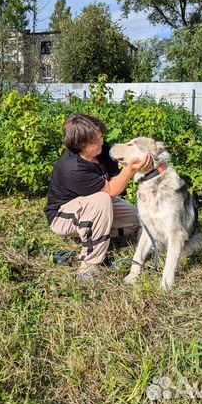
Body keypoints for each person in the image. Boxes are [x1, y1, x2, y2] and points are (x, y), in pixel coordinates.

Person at [44, 114, 152, 281]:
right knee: (102, 199)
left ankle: (95, 237)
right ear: (80, 145)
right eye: (95, 141)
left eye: (101, 136)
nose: (101, 142)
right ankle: (88, 267)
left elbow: (116, 178)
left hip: (93, 207)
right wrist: (130, 169)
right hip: (62, 216)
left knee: (134, 220)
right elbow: (110, 190)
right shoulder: (72, 168)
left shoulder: (101, 151)